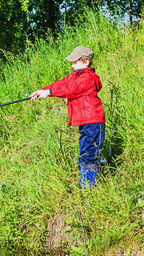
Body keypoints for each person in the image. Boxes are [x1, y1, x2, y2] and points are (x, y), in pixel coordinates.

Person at [30, 46, 105, 188]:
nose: (72, 65)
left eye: (75, 62)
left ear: (86, 62)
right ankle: (85, 183)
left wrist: (51, 92)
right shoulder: (75, 75)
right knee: (84, 151)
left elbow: (71, 88)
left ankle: (89, 185)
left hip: (93, 121)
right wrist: (43, 90)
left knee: (89, 152)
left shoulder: (88, 78)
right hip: (85, 122)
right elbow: (63, 83)